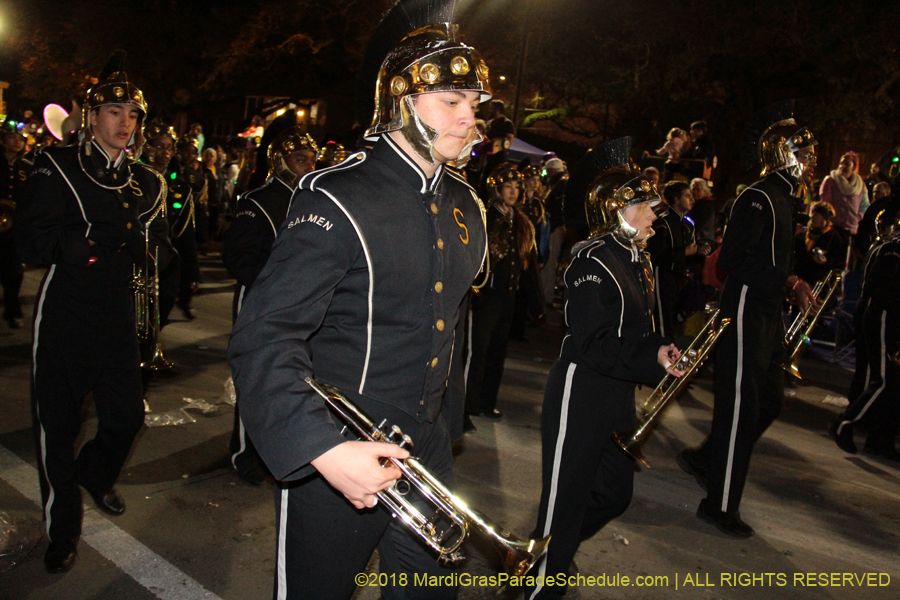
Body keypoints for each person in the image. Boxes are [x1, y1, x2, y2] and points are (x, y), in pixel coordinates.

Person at [226, 4, 491, 597]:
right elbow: (264, 336)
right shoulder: (338, 195)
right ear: (401, 99)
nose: (469, 117)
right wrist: (320, 448)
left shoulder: (467, 205)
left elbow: (449, 330)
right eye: (451, 100)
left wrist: (443, 431)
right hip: (340, 443)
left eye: (473, 103)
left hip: (426, 454)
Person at [15, 54, 169, 573]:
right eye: (113, 110)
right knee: (55, 429)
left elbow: (156, 246)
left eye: (133, 114)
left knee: (125, 419)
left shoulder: (148, 182)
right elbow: (31, 238)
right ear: (90, 116)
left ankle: (95, 476)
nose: (125, 122)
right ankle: (62, 530)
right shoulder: (55, 165)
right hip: (64, 317)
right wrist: (91, 247)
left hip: (117, 321)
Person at [526, 137, 683, 600]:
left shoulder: (637, 260)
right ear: (617, 209)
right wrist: (644, 360)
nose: (655, 216)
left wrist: (658, 352)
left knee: (615, 494)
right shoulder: (591, 259)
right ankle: (539, 581)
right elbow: (593, 343)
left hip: (616, 392)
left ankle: (555, 553)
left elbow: (636, 331)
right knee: (562, 501)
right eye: (646, 207)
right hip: (582, 390)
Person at [676, 103, 816, 538]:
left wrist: (787, 283)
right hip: (746, 310)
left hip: (767, 312)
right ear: (786, 154)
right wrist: (788, 280)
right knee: (740, 410)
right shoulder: (758, 197)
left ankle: (704, 458)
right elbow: (732, 262)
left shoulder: (786, 198)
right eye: (806, 153)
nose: (812, 162)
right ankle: (718, 504)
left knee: (769, 401)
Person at [223, 114, 318, 485]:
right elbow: (239, 258)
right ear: (281, 161)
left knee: (293, 380)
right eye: (300, 159)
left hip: (299, 304)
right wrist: (276, 285)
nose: (309, 165)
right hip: (261, 301)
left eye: (312, 159)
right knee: (256, 377)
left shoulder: (314, 200)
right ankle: (244, 454)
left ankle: (283, 448)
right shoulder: (260, 200)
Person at [465, 163, 534, 423]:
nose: (514, 191)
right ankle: (468, 405)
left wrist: (535, 303)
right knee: (478, 353)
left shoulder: (521, 221)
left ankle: (486, 402)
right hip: (487, 295)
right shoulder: (487, 217)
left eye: (517, 186)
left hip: (508, 296)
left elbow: (527, 263)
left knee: (497, 353)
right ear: (497, 189)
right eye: (508, 186)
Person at [831, 207, 900, 461]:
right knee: (881, 380)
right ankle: (844, 423)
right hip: (883, 315)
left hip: (884, 315)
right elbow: (881, 289)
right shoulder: (891, 249)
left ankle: (880, 438)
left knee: (890, 382)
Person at [647, 181, 696, 338]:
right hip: (663, 277)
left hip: (678, 278)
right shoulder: (663, 222)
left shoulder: (685, 224)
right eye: (687, 196)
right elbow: (657, 254)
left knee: (675, 318)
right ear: (676, 198)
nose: (691, 199)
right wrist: (683, 253)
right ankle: (662, 353)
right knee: (663, 319)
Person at [1, 122, 31, 329]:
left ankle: (12, 309)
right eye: (12, 137)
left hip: (14, 226)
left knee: (14, 271)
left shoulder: (26, 167)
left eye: (21, 138)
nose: (17, 141)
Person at [819, 151, 869, 265]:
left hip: (851, 231)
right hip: (834, 228)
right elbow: (825, 203)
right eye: (841, 163)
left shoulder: (860, 185)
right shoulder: (831, 180)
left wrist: (857, 217)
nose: (843, 167)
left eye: (847, 164)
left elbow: (865, 205)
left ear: (854, 167)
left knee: (847, 262)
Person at [792, 201, 845, 285]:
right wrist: (794, 236)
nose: (813, 217)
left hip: (817, 279)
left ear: (824, 219)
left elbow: (839, 262)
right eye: (812, 213)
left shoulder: (833, 238)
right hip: (798, 276)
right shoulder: (803, 233)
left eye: (817, 214)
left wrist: (826, 262)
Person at [540, 157, 568, 306]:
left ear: (551, 170)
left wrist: (554, 225)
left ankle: (547, 295)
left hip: (555, 228)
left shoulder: (562, 184)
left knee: (549, 262)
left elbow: (559, 209)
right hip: (556, 227)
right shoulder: (562, 183)